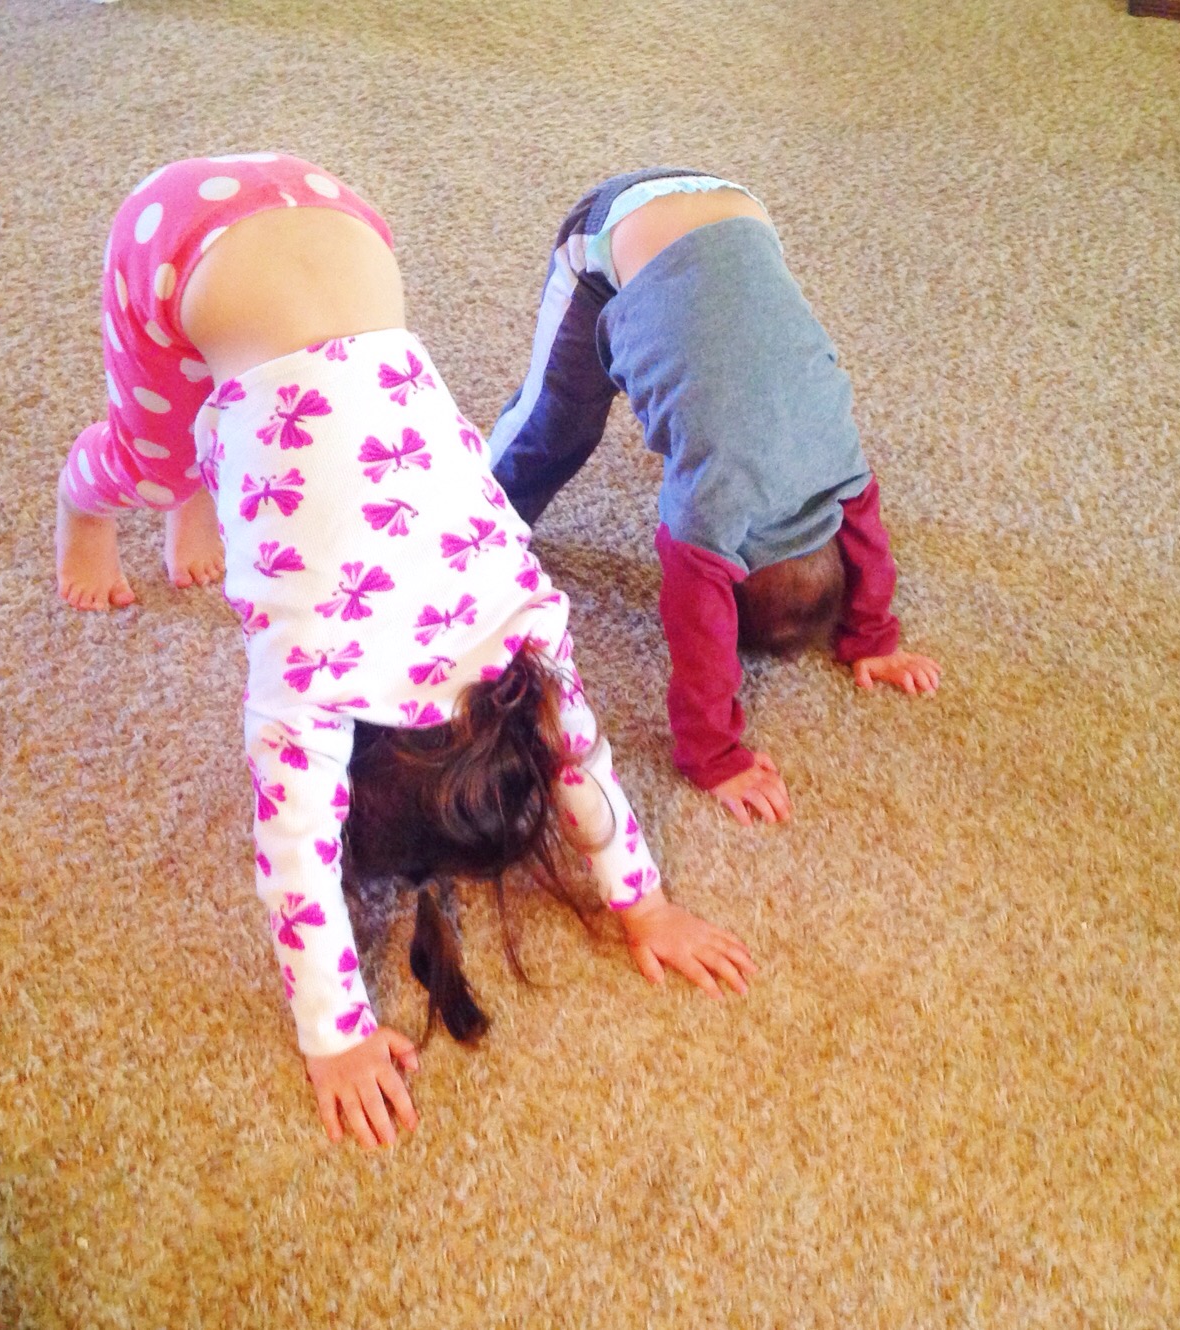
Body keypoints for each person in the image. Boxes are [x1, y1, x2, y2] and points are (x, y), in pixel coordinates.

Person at [55, 154, 755, 1149]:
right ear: (357, 759)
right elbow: (295, 858)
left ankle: (209, 478)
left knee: (247, 429)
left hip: (345, 223)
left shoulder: (522, 619)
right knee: (150, 459)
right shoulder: (309, 676)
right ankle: (83, 507)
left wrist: (644, 903)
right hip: (173, 239)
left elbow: (579, 754)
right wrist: (333, 1035)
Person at [489, 169, 942, 827]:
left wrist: (873, 635)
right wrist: (713, 755)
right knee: (557, 423)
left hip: (740, 210)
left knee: (705, 369)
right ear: (731, 573)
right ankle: (473, 527)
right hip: (608, 229)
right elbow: (697, 632)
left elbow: (868, 541)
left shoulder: (841, 463)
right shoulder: (712, 519)